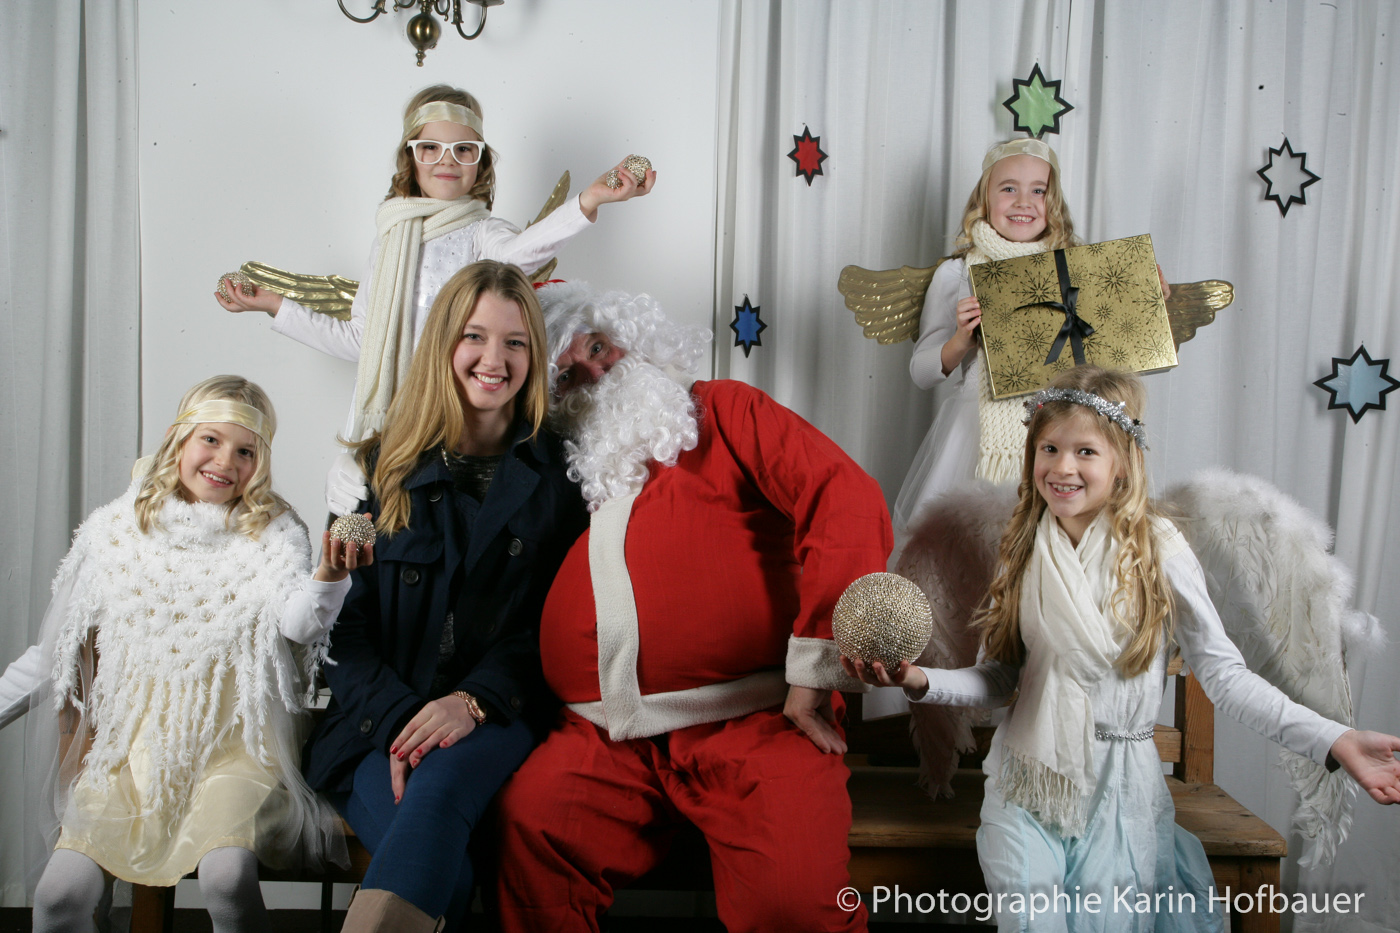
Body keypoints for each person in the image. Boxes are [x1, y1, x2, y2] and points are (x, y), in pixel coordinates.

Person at [846, 366, 1400, 932]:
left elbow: (1226, 678)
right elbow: (1003, 677)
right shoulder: (1022, 547)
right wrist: (921, 681)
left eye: (1085, 451)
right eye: (1049, 448)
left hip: (1119, 789)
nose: (1062, 467)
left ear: (1123, 462)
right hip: (1026, 779)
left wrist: (1334, 738)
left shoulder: (1158, 549)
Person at [492, 282, 892, 933]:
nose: (596, 372)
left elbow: (843, 495)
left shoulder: (726, 412)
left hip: (756, 722)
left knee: (792, 903)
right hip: (602, 739)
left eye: (598, 346)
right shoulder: (568, 469)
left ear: (633, 339)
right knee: (532, 830)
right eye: (566, 374)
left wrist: (817, 668)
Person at [3, 375, 361, 933]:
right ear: (179, 438)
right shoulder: (119, 529)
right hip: (130, 747)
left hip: (234, 748)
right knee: (58, 898)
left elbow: (298, 625)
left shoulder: (273, 530)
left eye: (245, 452)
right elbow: (57, 648)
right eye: (211, 440)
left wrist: (329, 574)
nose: (225, 461)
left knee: (226, 880)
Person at [299, 261, 588, 932]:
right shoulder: (372, 471)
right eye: (475, 337)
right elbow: (339, 624)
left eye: (515, 342)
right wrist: (408, 720)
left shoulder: (562, 478)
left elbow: (558, 622)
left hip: (499, 714)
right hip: (376, 725)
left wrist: (471, 701)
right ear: (443, 345)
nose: (495, 360)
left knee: (444, 792)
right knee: (447, 873)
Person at [215, 84, 654, 511]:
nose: (448, 160)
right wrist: (275, 306)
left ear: (481, 162)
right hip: (396, 424)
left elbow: (520, 255)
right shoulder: (390, 240)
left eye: (464, 149)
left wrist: (589, 201)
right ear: (411, 157)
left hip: (459, 423)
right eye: (430, 148)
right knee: (374, 523)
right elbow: (360, 341)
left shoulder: (484, 233)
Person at [893, 138, 1082, 536]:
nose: (1023, 201)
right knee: (976, 547)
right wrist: (961, 340)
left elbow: (1113, 358)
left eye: (1038, 190)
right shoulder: (957, 273)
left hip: (1062, 430)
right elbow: (921, 373)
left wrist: (1150, 301)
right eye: (1008, 188)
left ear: (1053, 202)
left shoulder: (1077, 269)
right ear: (985, 198)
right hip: (978, 432)